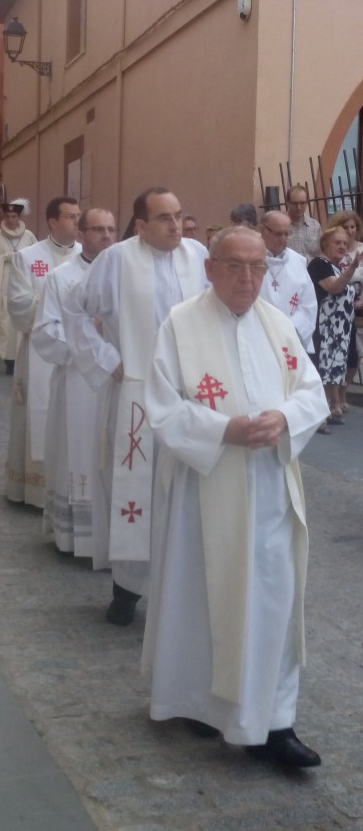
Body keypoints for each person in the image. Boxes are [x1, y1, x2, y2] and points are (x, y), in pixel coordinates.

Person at [143, 226, 328, 767]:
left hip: (270, 488)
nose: (247, 278)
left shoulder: (279, 326)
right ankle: (199, 704)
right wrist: (223, 431)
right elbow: (163, 406)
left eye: (256, 267)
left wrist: (284, 418)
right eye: (234, 266)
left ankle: (274, 723)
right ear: (210, 268)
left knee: (272, 598)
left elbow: (311, 392)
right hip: (206, 489)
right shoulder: (180, 325)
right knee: (203, 595)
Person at [64, 187, 208, 625]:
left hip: (187, 394)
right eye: (164, 218)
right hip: (137, 395)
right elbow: (75, 311)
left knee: (185, 491)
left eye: (179, 216)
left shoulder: (197, 255)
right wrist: (109, 361)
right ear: (141, 225)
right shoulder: (117, 259)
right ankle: (126, 590)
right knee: (136, 492)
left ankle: (180, 590)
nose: (175, 226)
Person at [31, 208, 117, 559]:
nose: (107, 235)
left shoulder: (125, 275)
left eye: (111, 229)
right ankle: (76, 538)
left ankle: (116, 536)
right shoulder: (62, 278)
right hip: (77, 383)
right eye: (97, 229)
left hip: (118, 380)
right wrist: (84, 338)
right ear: (81, 234)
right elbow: (44, 333)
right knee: (78, 451)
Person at [5, 196, 81, 507]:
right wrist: (54, 301)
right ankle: (34, 489)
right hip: (38, 349)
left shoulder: (87, 256)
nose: (78, 222)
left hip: (77, 351)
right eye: (71, 217)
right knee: (38, 413)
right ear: (52, 222)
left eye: (79, 216)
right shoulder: (28, 257)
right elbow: (18, 304)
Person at [307, 226, 361, 427]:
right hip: (325, 327)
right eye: (337, 242)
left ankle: (332, 405)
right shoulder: (319, 264)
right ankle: (323, 411)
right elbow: (334, 287)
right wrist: (353, 267)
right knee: (323, 366)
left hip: (341, 329)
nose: (342, 246)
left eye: (345, 244)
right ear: (325, 244)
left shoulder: (337, 266)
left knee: (336, 366)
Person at [0, 199, 37, 374]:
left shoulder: (29, 236)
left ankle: (25, 357)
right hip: (4, 285)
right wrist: (5, 257)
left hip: (24, 283)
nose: (11, 219)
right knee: (6, 323)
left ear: (19, 217)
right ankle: (9, 361)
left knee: (24, 319)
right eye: (8, 216)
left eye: (14, 216)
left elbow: (37, 258)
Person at [258, 211, 317, 352]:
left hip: (291, 339)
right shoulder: (249, 259)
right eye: (278, 234)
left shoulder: (298, 261)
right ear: (262, 230)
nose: (283, 239)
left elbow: (308, 305)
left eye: (287, 234)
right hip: (258, 339)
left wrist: (287, 329)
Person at [329, 209, 363, 407]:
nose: (350, 231)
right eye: (345, 227)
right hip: (339, 310)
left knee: (354, 357)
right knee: (339, 355)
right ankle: (337, 398)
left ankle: (343, 390)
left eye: (353, 227)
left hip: (359, 306)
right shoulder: (335, 251)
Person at [285, 185, 322, 261]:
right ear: (287, 203)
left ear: (307, 202)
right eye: (295, 203)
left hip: (309, 271)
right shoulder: (278, 226)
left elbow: (320, 253)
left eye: (302, 203)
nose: (298, 207)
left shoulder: (315, 226)